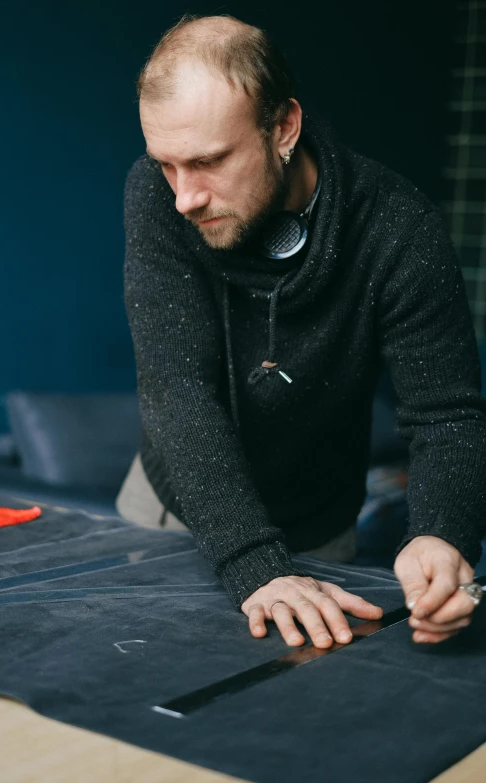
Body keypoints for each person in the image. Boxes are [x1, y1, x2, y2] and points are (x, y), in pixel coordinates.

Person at [120, 13, 486, 649]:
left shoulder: (399, 230)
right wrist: (255, 565)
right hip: (168, 515)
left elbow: (447, 415)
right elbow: (177, 392)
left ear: (283, 127)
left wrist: (441, 533)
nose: (185, 197)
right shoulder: (156, 198)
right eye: (167, 165)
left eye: (208, 161)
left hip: (320, 527)